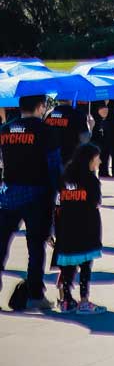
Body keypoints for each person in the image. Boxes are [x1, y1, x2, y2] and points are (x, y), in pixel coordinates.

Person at [1, 95, 60, 310]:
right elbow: (54, 166)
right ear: (40, 106)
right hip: (37, 195)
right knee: (35, 247)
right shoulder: (45, 131)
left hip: (8, 193)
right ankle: (35, 294)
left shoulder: (6, 129)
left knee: (1, 244)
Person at [50, 143, 104, 314]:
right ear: (89, 159)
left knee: (67, 266)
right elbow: (96, 203)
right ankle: (84, 301)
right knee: (85, 266)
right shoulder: (91, 180)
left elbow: (57, 203)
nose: (100, 162)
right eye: (97, 158)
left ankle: (66, 300)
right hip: (86, 229)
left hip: (65, 229)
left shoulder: (64, 178)